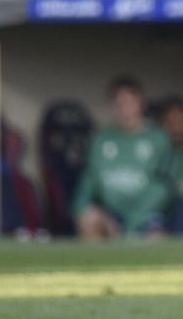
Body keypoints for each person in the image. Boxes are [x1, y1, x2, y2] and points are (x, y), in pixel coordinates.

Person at [71, 77, 172, 239]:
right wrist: (79, 208)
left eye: (130, 103)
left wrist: (135, 219)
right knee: (87, 218)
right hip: (111, 214)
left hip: (145, 215)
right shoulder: (101, 139)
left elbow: (164, 186)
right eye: (119, 104)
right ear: (112, 107)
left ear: (141, 104)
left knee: (157, 236)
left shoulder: (158, 138)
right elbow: (89, 179)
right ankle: (95, 264)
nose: (125, 109)